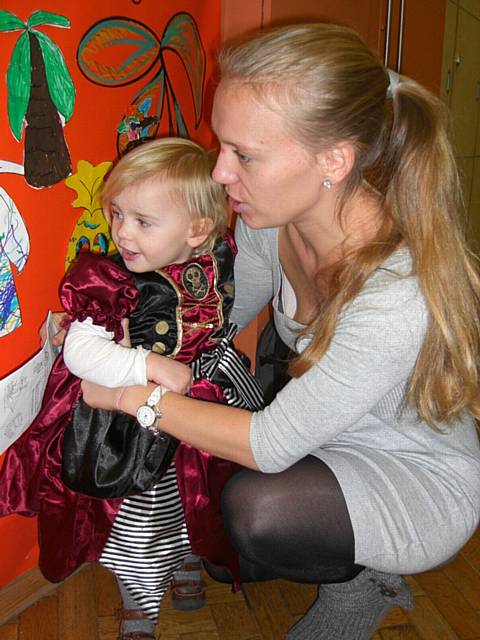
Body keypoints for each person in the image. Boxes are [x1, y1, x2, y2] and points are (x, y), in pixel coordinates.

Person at [79, 23, 480, 640]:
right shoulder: (273, 222)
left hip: (411, 473)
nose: (219, 174)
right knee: (224, 538)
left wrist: (133, 396)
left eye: (244, 154)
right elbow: (213, 324)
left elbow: (267, 445)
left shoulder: (396, 296)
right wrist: (106, 326)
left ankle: (360, 588)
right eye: (223, 146)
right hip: (323, 434)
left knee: (256, 511)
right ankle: (324, 548)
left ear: (333, 161)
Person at [0, 137, 263, 640]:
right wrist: (147, 364)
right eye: (117, 214)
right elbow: (80, 351)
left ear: (198, 230)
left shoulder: (218, 260)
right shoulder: (111, 280)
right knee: (140, 519)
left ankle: (188, 561)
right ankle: (138, 600)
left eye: (143, 221)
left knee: (202, 496)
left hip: (208, 398)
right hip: (138, 424)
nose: (122, 231)